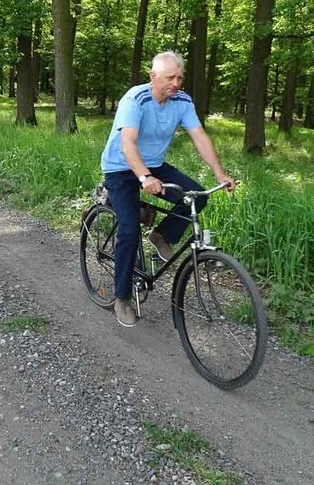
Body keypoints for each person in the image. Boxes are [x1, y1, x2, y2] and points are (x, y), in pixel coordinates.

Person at [100, 51, 234, 327]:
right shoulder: (136, 99)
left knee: (196, 197)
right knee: (128, 228)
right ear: (153, 76)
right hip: (121, 166)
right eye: (169, 77)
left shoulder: (182, 101)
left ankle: (162, 235)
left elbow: (200, 137)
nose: (176, 82)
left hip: (154, 165)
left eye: (179, 77)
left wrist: (220, 173)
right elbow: (128, 144)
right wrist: (144, 178)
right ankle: (121, 297)